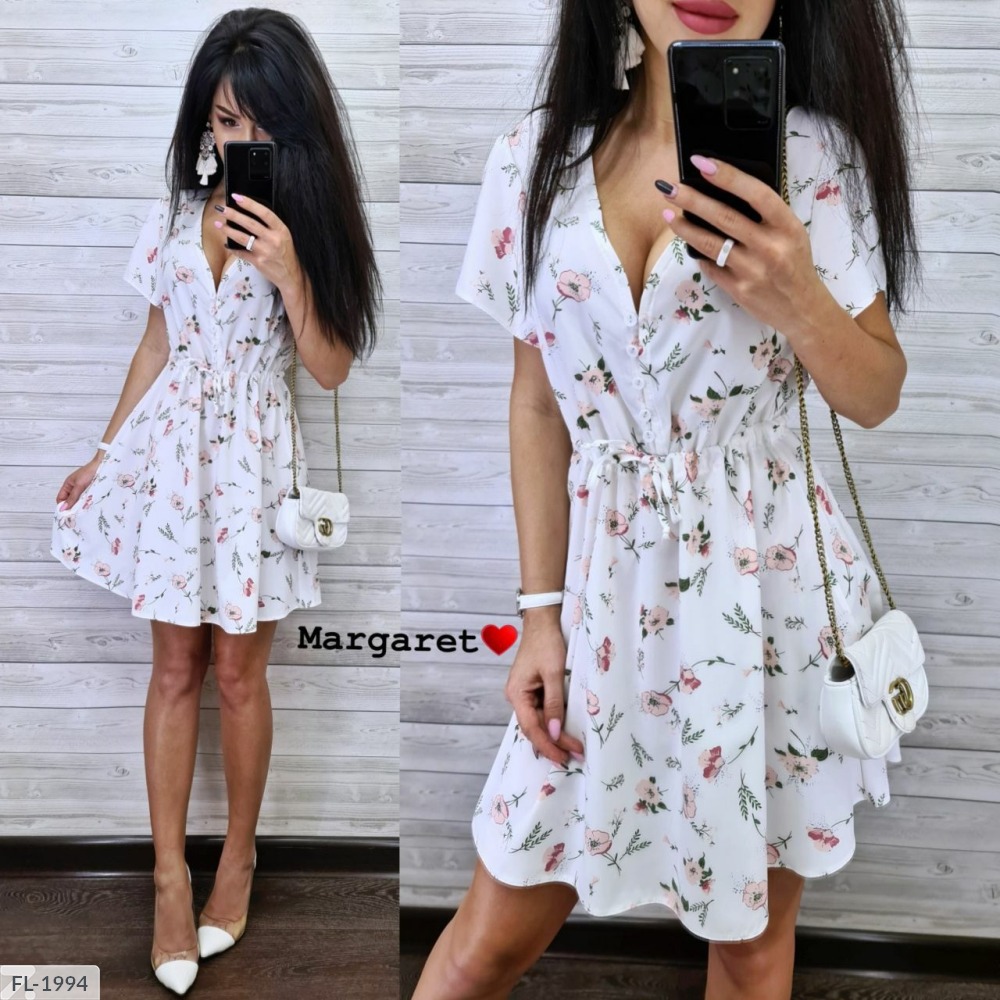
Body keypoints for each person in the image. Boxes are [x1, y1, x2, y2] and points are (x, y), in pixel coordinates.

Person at [414, 0, 919, 997]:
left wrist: (798, 296)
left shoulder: (814, 159)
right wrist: (539, 616)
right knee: (489, 934)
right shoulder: (534, 160)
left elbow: (875, 393)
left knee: (750, 946)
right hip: (601, 601)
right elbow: (537, 406)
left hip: (765, 598)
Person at [50, 8, 380, 995]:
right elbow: (157, 342)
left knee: (239, 674)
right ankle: (167, 878)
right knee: (173, 669)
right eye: (228, 121)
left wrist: (289, 273)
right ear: (204, 121)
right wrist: (104, 451)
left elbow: (330, 369)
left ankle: (237, 858)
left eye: (262, 122)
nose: (243, 140)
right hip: (173, 458)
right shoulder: (171, 215)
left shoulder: (308, 222)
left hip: (254, 466)